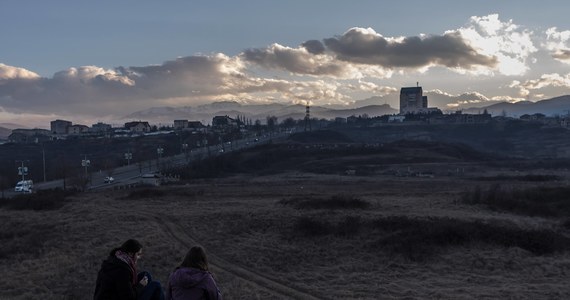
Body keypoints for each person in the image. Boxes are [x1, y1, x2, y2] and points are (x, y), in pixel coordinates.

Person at [94, 239, 164, 300]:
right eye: (138, 254)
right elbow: (129, 298)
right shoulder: (122, 270)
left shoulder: (115, 260)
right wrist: (141, 286)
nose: (139, 257)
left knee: (146, 275)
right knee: (156, 285)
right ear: (130, 254)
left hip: (114, 296)